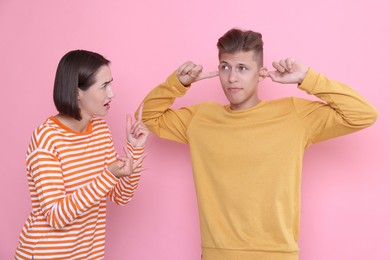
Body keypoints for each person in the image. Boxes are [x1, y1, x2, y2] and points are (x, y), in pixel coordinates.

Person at [139, 28, 378, 260]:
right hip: (219, 254)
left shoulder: (293, 115)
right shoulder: (199, 119)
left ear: (260, 72)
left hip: (277, 254)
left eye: (242, 68)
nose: (232, 78)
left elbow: (362, 114)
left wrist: (308, 78)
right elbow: (147, 117)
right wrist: (176, 84)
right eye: (225, 67)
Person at [14, 50, 149, 260]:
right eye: (104, 86)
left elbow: (121, 197)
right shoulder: (46, 139)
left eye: (111, 84)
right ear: (77, 92)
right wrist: (108, 176)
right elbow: (56, 216)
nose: (112, 94)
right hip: (44, 255)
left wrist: (134, 150)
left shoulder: (100, 130)